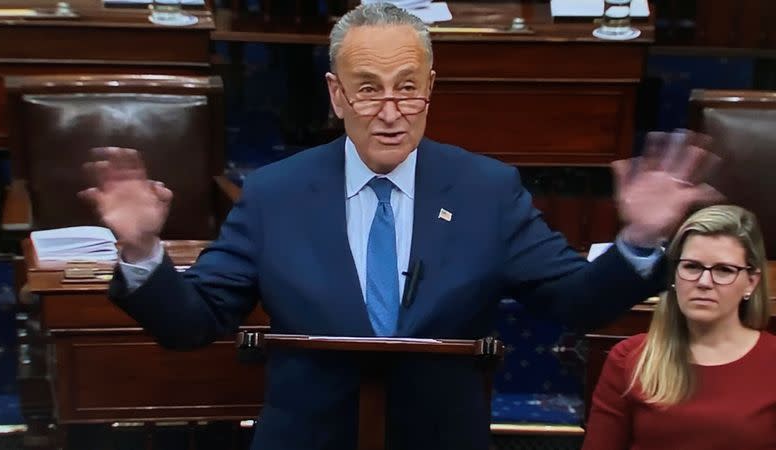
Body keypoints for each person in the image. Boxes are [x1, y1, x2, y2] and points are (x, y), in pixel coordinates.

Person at [81, 4, 721, 450]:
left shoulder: (486, 190)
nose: (390, 113)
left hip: (440, 437)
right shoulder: (275, 194)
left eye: (408, 89)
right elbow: (195, 324)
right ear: (335, 96)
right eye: (368, 90)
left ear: (431, 88)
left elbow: (572, 302)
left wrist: (639, 241)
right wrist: (141, 250)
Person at [582, 205, 775, 450]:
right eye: (692, 267)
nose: (704, 282)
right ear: (674, 274)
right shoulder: (629, 358)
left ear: (751, 281)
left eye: (724, 270)